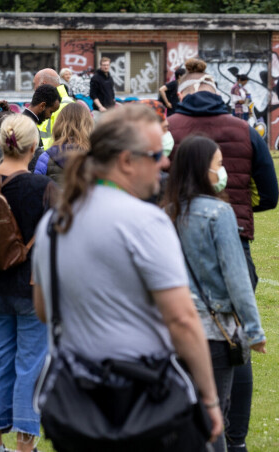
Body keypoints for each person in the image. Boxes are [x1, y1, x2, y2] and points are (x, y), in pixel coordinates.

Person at [32, 103, 224, 447]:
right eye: (155, 155)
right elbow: (181, 318)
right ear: (125, 161)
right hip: (146, 400)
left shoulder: (55, 222)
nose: (165, 163)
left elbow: (45, 309)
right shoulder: (146, 221)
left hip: (76, 403)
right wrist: (209, 399)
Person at [168, 57, 278, 450]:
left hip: (174, 232)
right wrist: (243, 213)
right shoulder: (243, 129)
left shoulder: (169, 128)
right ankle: (234, 439)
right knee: (235, 344)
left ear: (181, 92)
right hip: (234, 232)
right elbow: (271, 193)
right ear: (219, 91)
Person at [163, 136, 267, 452]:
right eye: (219, 165)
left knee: (179, 416)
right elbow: (236, 277)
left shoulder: (166, 211)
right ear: (202, 169)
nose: (223, 171)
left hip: (171, 328)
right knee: (214, 417)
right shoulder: (218, 213)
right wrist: (254, 330)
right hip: (213, 330)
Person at [0, 113, 55, 452]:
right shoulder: (41, 186)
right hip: (33, 286)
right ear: (34, 145)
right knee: (31, 365)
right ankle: (25, 442)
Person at [32, 102, 93, 185]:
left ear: (59, 124)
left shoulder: (45, 157)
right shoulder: (95, 159)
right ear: (88, 125)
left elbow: (36, 190)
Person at [32, 68, 74, 150]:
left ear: (43, 84)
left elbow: (66, 139)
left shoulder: (64, 105)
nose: (34, 88)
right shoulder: (65, 103)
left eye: (35, 84)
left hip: (50, 156)